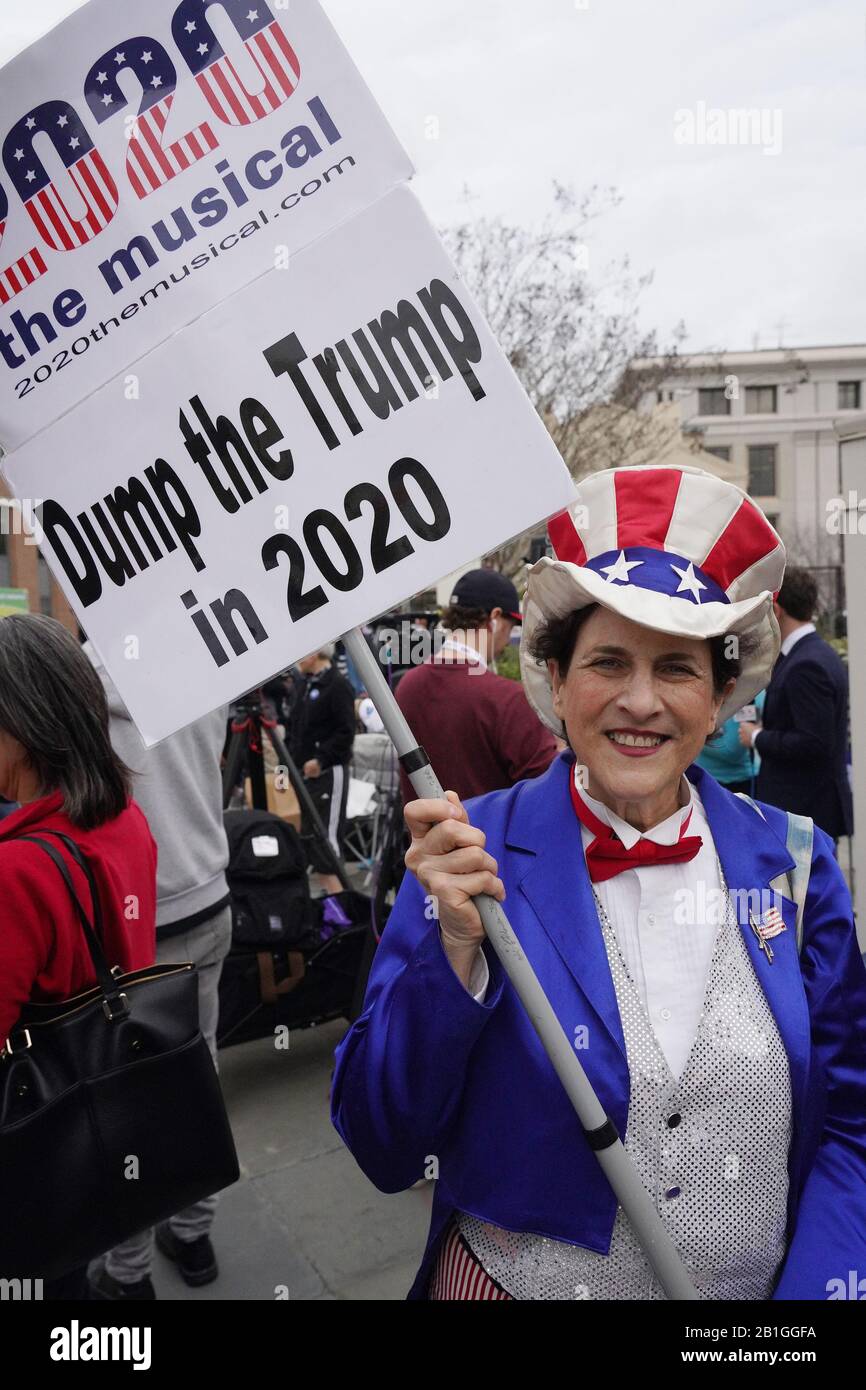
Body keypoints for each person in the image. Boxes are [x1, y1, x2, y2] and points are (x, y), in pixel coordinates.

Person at [331, 463, 866, 1301]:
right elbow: (382, 1139)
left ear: (723, 695)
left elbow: (849, 1123)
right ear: (555, 680)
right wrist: (454, 957)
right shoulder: (468, 851)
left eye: (678, 669)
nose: (641, 701)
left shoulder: (796, 865)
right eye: (608, 662)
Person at [0, 615, 157, 1301]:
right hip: (102, 1116)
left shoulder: (17, 871)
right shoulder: (125, 817)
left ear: (24, 725)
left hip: (32, 1144)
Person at [84, 643, 232, 1300]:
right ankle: (194, 1235)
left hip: (131, 911)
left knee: (126, 1102)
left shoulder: (88, 675)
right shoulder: (210, 656)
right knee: (199, 1074)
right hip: (207, 892)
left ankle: (129, 1273)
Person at [394, 569, 558, 803]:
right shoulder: (509, 699)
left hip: (425, 838)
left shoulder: (406, 686)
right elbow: (546, 795)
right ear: (495, 617)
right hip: (489, 839)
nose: (508, 640)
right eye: (511, 627)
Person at [738, 568, 854, 842]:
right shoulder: (814, 653)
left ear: (776, 611)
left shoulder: (807, 664)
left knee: (805, 887)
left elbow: (814, 742)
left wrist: (757, 736)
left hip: (805, 809)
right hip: (808, 807)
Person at [287, 643, 355, 895]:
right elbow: (295, 726)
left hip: (328, 773)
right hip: (303, 773)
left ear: (314, 652)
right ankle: (332, 906)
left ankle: (343, 908)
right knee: (311, 839)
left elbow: (346, 731)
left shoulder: (336, 685)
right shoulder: (304, 684)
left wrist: (321, 759)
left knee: (326, 841)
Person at [697, 690, 765, 795]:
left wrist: (694, 737)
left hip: (740, 782)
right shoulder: (702, 688)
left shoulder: (752, 691)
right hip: (699, 776)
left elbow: (732, 751)